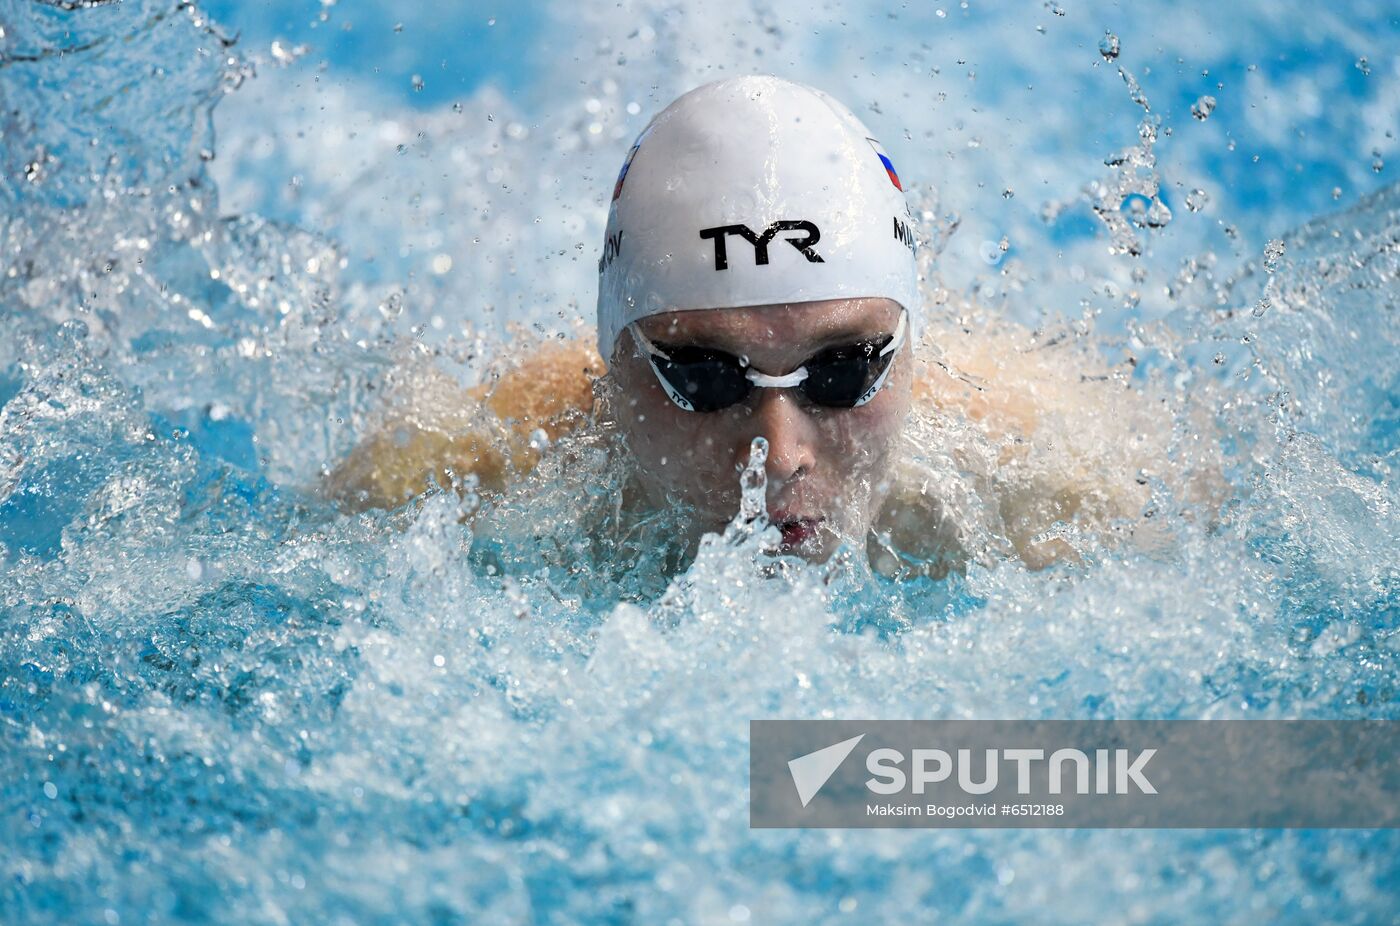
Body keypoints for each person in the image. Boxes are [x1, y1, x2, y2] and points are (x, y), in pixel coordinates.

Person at [326, 75, 1224, 582]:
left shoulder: (1069, 482)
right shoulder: (450, 480)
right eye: (704, 376)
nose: (778, 450)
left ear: (914, 351)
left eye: (843, 371)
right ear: (612, 368)